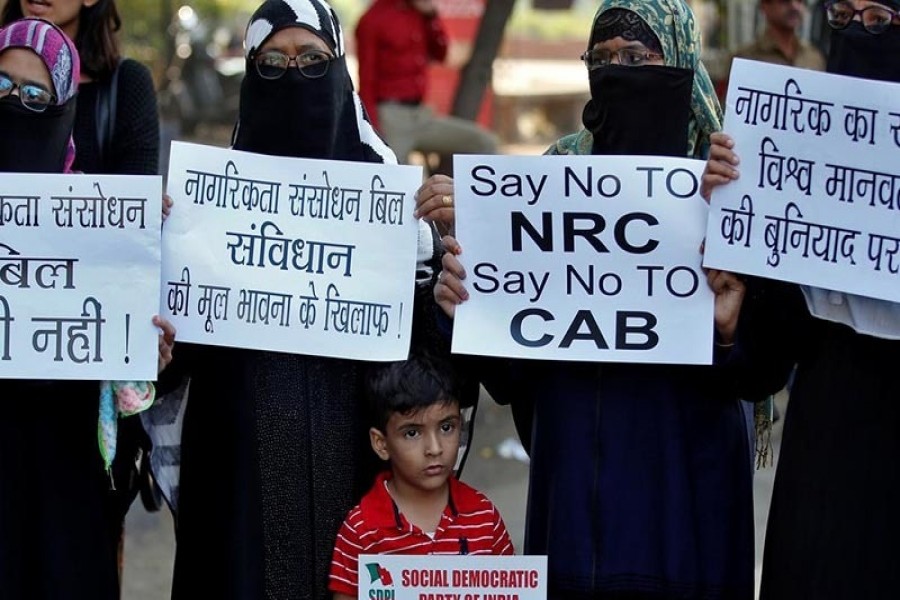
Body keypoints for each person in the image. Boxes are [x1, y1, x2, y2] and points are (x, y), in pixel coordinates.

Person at [428, 1, 758, 598]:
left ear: (680, 61)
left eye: (636, 57)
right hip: (576, 489)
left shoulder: (725, 181)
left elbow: (767, 365)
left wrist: (732, 330)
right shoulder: (553, 178)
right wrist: (468, 310)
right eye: (601, 59)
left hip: (687, 494)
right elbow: (514, 372)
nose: (617, 71)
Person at [161, 2, 444, 598]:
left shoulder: (396, 214)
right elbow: (167, 364)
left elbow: (441, 363)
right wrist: (162, 276)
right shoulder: (206, 211)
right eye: (273, 63)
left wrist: (434, 261)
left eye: (314, 60)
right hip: (236, 493)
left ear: (341, 72)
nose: (295, 76)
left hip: (357, 486)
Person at [702, 2, 900, 597]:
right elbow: (765, 364)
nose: (858, 36)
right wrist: (735, 319)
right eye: (842, 17)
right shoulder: (802, 157)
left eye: (879, 21)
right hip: (824, 465)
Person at [0, 17, 175, 599]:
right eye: (1, 88)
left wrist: (144, 348)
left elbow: (128, 369)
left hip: (68, 465)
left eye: (34, 95)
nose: (14, 104)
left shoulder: (96, 220)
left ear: (65, 105)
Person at [328, 353, 514, 600]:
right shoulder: (361, 531)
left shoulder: (484, 518)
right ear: (381, 444)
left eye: (447, 427)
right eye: (412, 433)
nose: (435, 448)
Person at [355, 0, 497, 167]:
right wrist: (372, 128)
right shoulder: (373, 19)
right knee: (398, 179)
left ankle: (458, 190)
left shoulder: (420, 13)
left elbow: (441, 53)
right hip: (390, 117)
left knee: (484, 142)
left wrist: (431, 16)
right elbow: (366, 78)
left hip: (421, 114)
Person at [730, 0, 825, 78]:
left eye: (800, 1)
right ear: (765, 6)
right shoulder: (745, 58)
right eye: (785, 1)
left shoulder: (814, 57)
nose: (794, 6)